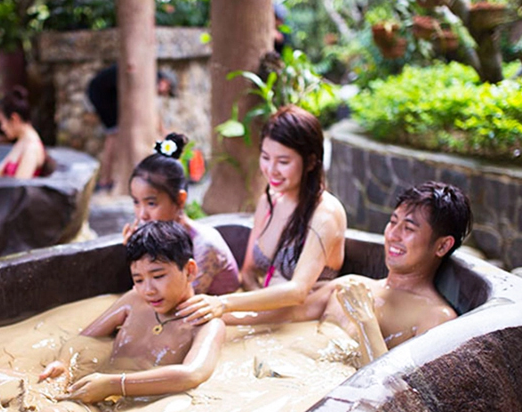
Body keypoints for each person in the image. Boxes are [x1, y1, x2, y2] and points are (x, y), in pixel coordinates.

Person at [3, 221, 226, 412]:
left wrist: (114, 384)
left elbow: (192, 374)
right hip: (95, 386)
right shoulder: (134, 301)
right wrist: (63, 362)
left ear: (190, 270)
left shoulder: (206, 325)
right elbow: (84, 338)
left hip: (130, 407)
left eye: (158, 275)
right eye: (138, 279)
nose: (148, 289)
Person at [177, 105, 347, 323]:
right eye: (266, 157)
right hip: (267, 316)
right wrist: (255, 312)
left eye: (283, 162)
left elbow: (297, 291)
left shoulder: (326, 213)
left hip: (304, 322)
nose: (271, 169)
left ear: (311, 162)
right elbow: (248, 272)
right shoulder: (269, 202)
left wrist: (224, 304)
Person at [317, 181, 473, 366]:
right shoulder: (351, 287)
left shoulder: (436, 318)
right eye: (392, 222)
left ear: (442, 246)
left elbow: (390, 382)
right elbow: (288, 314)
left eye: (408, 228)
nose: (393, 235)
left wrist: (365, 320)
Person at [123, 132, 240, 296]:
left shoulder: (204, 245)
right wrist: (135, 252)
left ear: (180, 199)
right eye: (136, 202)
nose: (142, 215)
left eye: (151, 203)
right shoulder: (158, 238)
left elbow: (178, 301)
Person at [87, 64, 177, 191]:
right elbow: (151, 111)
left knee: (115, 134)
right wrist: (163, 131)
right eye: (166, 91)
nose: (163, 94)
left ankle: (107, 178)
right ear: (165, 82)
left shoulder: (149, 74)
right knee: (113, 135)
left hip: (105, 92)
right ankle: (105, 180)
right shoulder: (151, 78)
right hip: (103, 94)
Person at [0, 86, 52, 179]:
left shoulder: (31, 148)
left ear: (14, 118)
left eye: (2, 122)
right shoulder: (23, 141)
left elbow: (20, 185)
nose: (2, 127)